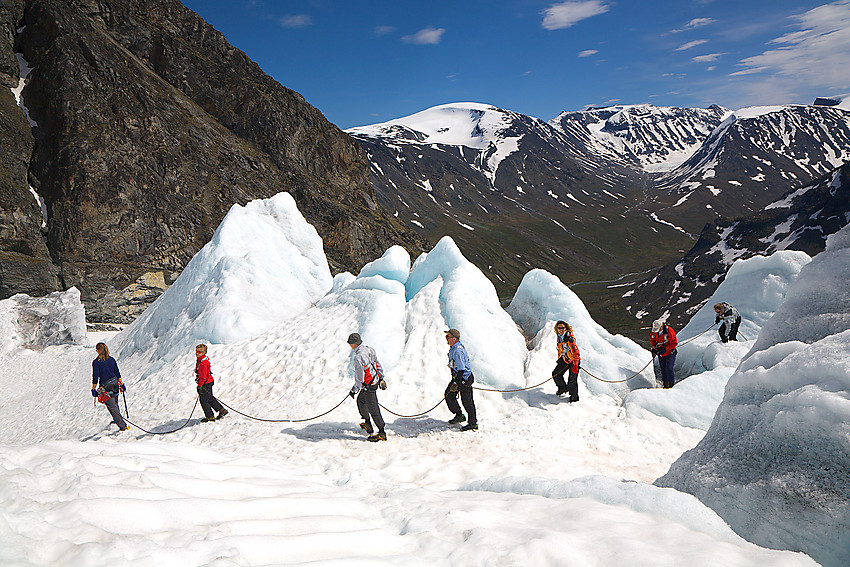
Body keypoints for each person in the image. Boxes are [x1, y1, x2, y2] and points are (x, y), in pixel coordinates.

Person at [346, 333, 387, 442]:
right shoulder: (369, 350)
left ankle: (382, 432)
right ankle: (368, 423)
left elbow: (360, 377)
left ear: (353, 344)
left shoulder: (358, 357)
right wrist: (381, 378)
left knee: (373, 409)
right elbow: (377, 364)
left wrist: (355, 389)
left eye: (350, 344)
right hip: (373, 382)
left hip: (368, 386)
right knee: (361, 401)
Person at [444, 328, 478, 431]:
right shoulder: (454, 348)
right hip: (458, 377)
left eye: (448, 337)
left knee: (467, 402)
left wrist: (458, 382)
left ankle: (473, 423)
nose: (446, 338)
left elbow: (461, 368)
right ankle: (459, 415)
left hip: (464, 379)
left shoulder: (458, 350)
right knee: (449, 395)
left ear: (454, 338)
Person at [91, 342, 128, 431]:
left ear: (98, 350)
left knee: (112, 407)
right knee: (115, 403)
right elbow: (117, 372)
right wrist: (121, 384)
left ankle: (123, 426)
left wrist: (93, 389)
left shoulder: (96, 362)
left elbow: (96, 376)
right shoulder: (111, 359)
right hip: (115, 383)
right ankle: (117, 420)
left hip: (106, 386)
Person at [195, 344, 228, 423]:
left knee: (204, 401)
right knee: (209, 398)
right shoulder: (200, 360)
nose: (197, 353)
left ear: (204, 352)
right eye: (196, 351)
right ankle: (221, 410)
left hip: (205, 383)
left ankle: (210, 417)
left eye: (199, 352)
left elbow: (204, 376)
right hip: (208, 382)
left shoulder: (204, 362)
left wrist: (200, 385)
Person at [552, 321, 580, 402]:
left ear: (566, 328)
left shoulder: (569, 338)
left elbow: (575, 351)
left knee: (572, 380)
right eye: (559, 328)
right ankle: (563, 388)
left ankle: (574, 397)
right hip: (565, 359)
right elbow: (560, 349)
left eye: (562, 328)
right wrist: (559, 358)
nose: (561, 329)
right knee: (556, 374)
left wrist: (575, 364)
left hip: (573, 361)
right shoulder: (559, 337)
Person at [650, 319, 678, 389]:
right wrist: (653, 347)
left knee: (669, 368)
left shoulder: (669, 331)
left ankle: (671, 385)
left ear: (661, 327)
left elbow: (674, 343)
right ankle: (665, 385)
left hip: (670, 353)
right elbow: (652, 340)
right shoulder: (654, 332)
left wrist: (665, 349)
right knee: (663, 369)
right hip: (661, 353)